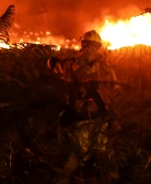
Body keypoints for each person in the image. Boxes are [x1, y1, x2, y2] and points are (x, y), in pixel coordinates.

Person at [49, 29, 117, 170]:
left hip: (79, 117)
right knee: (99, 154)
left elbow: (55, 70)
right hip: (101, 117)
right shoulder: (107, 68)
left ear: (82, 44)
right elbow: (115, 92)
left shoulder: (70, 63)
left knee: (78, 155)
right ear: (99, 46)